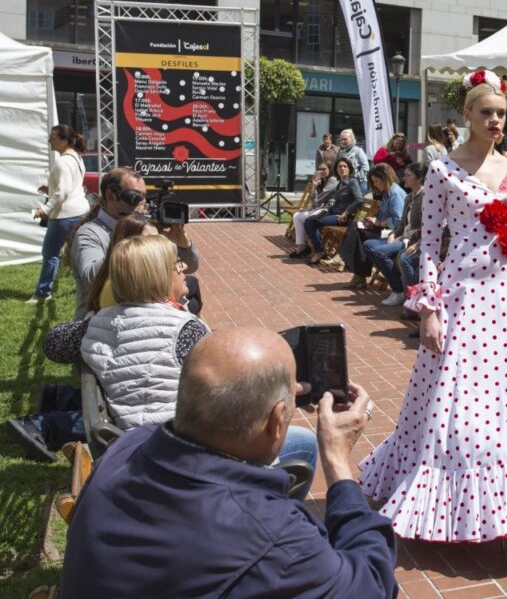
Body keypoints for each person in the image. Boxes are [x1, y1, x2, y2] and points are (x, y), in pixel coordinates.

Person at [358, 69, 507, 558]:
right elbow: (429, 245)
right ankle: (446, 504)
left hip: (506, 301)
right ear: (466, 115)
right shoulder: (442, 171)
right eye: (486, 112)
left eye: (501, 113)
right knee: (452, 407)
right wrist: (428, 309)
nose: (495, 121)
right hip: (461, 300)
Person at [59, 327, 397, 598]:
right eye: (290, 404)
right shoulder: (271, 537)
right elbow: (373, 585)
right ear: (278, 420)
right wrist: (337, 462)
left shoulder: (129, 445)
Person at [6, 234, 207, 461]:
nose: (183, 269)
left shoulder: (99, 322)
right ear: (159, 276)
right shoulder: (185, 328)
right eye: (176, 264)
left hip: (123, 439)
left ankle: (59, 400)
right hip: (172, 443)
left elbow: (53, 344)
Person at [70, 167, 199, 320]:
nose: (142, 204)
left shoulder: (146, 225)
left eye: (144, 197)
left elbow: (191, 266)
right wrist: (131, 240)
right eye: (134, 197)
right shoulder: (90, 233)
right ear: (111, 196)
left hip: (147, 308)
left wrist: (182, 243)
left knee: (193, 290)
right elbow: (90, 278)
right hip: (104, 319)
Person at [28, 125, 92, 304]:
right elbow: (71, 185)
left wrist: (44, 210)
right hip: (81, 211)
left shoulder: (62, 161)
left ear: (64, 141)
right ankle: (90, 287)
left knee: (50, 253)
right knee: (79, 254)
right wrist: (51, 188)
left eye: (53, 138)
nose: (50, 140)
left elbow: (63, 192)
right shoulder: (77, 158)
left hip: (65, 215)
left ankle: (42, 293)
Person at [364, 162, 426, 306]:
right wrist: (393, 234)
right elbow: (401, 223)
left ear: (419, 178)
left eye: (408, 175)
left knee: (380, 252)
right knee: (368, 245)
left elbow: (430, 226)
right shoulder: (409, 197)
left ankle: (398, 291)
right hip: (402, 237)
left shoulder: (425, 198)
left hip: (412, 240)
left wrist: (418, 242)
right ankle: (398, 285)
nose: (404, 179)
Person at [339, 164, 406, 288]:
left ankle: (358, 274)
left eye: (376, 181)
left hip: (392, 232)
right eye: (373, 181)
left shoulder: (395, 194)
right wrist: (374, 220)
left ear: (385, 178)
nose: (375, 184)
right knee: (356, 227)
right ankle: (358, 274)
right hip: (382, 228)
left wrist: (379, 222)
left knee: (359, 234)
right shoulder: (387, 193)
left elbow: (398, 220)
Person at [304, 158, 364, 265]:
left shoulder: (352, 182)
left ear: (349, 168)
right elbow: (333, 200)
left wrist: (346, 212)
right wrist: (324, 209)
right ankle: (319, 249)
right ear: (336, 169)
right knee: (308, 221)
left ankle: (319, 251)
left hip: (343, 217)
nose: (342, 168)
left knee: (312, 222)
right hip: (333, 213)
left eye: (345, 166)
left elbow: (359, 200)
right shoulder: (340, 183)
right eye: (339, 166)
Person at [288, 162, 339, 258]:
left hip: (327, 210)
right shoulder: (321, 181)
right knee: (297, 216)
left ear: (330, 170)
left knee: (309, 219)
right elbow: (314, 200)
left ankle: (316, 248)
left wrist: (314, 186)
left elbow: (318, 200)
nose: (321, 171)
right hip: (318, 208)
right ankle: (302, 245)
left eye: (324, 169)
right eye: (319, 169)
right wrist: (314, 185)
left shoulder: (333, 180)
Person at [339, 128, 370, 195]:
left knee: (358, 203)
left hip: (359, 183)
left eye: (345, 139)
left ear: (351, 139)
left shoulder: (358, 150)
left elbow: (365, 167)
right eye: (341, 140)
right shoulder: (341, 152)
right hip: (346, 183)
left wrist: (356, 178)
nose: (343, 141)